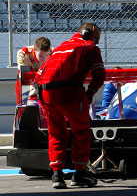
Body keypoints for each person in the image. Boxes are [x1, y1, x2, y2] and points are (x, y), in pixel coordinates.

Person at [37, 22, 106, 188]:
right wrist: (89, 95)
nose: (97, 41)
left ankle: (57, 174)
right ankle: (80, 173)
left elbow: (40, 75)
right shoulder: (89, 47)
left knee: (56, 133)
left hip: (46, 93)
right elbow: (100, 75)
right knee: (81, 131)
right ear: (88, 33)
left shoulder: (60, 47)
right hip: (70, 91)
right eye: (97, 37)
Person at [15, 37, 53, 104]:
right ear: (34, 51)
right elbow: (24, 75)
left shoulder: (53, 52)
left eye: (46, 55)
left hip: (43, 82)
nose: (43, 59)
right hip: (26, 81)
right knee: (22, 106)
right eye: (41, 55)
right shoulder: (23, 53)